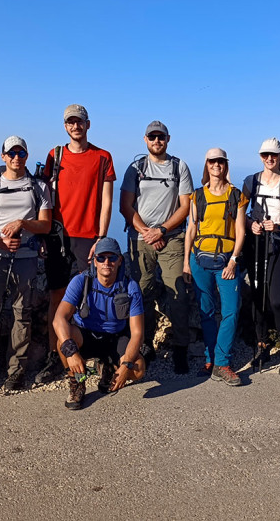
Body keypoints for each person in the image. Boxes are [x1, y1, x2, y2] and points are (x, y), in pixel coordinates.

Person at [0, 136, 52, 394]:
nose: (17, 157)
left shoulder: (38, 187)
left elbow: (45, 225)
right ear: (3, 156)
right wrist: (0, 242)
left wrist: (22, 223)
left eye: (21, 153)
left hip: (26, 257)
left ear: (27, 155)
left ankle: (16, 371)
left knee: (22, 314)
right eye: (12, 153)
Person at [42, 104, 117, 374]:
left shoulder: (103, 157)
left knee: (94, 296)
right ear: (65, 126)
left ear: (88, 124)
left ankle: (96, 352)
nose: (76, 126)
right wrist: (43, 234)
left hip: (89, 237)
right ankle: (55, 354)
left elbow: (107, 201)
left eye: (80, 122)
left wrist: (102, 238)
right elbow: (44, 198)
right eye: (71, 122)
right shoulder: (55, 155)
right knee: (57, 296)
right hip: (58, 235)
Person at [119, 121, 194, 374]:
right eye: (152, 137)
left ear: (168, 139)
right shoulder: (136, 168)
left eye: (160, 137)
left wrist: (161, 230)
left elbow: (185, 206)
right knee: (141, 294)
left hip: (171, 238)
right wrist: (148, 232)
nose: (156, 141)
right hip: (141, 239)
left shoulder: (179, 167)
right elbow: (125, 206)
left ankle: (181, 347)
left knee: (178, 294)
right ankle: (145, 344)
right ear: (145, 139)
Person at [54, 237, 146, 410]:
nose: (106, 263)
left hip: (115, 337)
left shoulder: (130, 287)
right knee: (62, 342)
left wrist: (126, 366)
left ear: (120, 260)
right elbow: (59, 319)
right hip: (86, 334)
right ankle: (77, 382)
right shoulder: (81, 281)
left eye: (112, 258)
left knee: (138, 370)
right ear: (94, 261)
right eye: (101, 258)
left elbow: (137, 333)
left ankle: (109, 368)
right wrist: (71, 352)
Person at [183, 148, 248, 387]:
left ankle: (222, 362)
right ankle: (211, 359)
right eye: (212, 161)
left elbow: (240, 230)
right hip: (199, 260)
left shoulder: (236, 195)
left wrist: (233, 260)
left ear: (225, 164)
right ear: (207, 164)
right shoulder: (197, 195)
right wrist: (186, 264)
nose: (216, 165)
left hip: (226, 261)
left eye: (220, 161)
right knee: (206, 312)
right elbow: (191, 229)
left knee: (230, 311)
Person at [241, 137, 280, 376]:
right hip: (256, 244)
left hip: (279, 245)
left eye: (274, 155)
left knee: (276, 299)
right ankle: (262, 344)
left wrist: (277, 226)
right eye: (265, 155)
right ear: (260, 157)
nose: (269, 159)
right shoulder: (251, 181)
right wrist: (251, 224)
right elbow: (240, 212)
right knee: (258, 296)